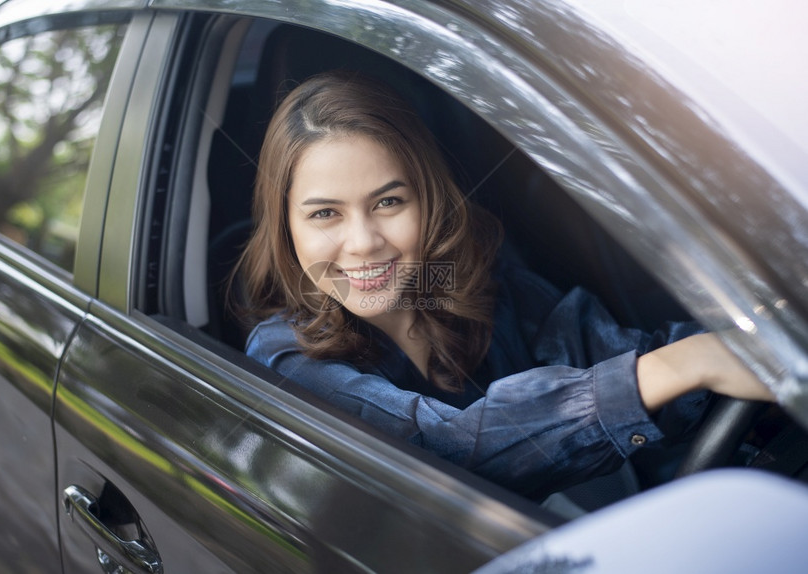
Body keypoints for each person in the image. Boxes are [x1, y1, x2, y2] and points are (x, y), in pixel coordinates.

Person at [232, 71, 773, 499]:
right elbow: (438, 457)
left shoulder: (477, 287)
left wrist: (753, 342)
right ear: (286, 227)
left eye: (389, 202)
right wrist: (678, 367)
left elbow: (623, 352)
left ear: (429, 201)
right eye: (325, 214)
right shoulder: (285, 356)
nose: (363, 242)